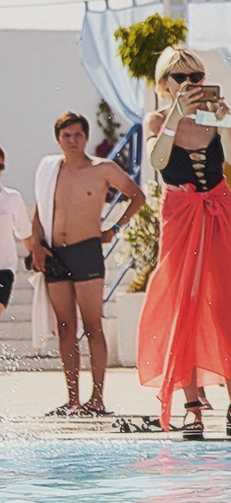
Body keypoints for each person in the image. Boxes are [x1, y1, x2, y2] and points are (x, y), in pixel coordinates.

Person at [137, 48, 231, 436]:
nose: (190, 84)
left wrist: (226, 125)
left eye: (197, 77)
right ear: (165, 84)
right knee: (182, 307)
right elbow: (157, 161)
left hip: (218, 211)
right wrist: (174, 117)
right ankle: (192, 405)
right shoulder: (157, 119)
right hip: (181, 214)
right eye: (181, 78)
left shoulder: (213, 116)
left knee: (225, 307)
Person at [29, 111, 145, 417]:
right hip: (56, 255)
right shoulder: (50, 170)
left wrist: (114, 229)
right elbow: (40, 211)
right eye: (66, 135)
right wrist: (36, 245)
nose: (72, 140)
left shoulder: (102, 168)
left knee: (93, 325)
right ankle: (72, 400)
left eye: (78, 135)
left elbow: (137, 196)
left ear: (87, 137)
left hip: (87, 251)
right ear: (58, 139)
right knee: (66, 327)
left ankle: (97, 398)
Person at [0, 148, 30, 313]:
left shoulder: (12, 198)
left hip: (3, 269)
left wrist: (37, 260)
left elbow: (25, 233)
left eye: (0, 167)